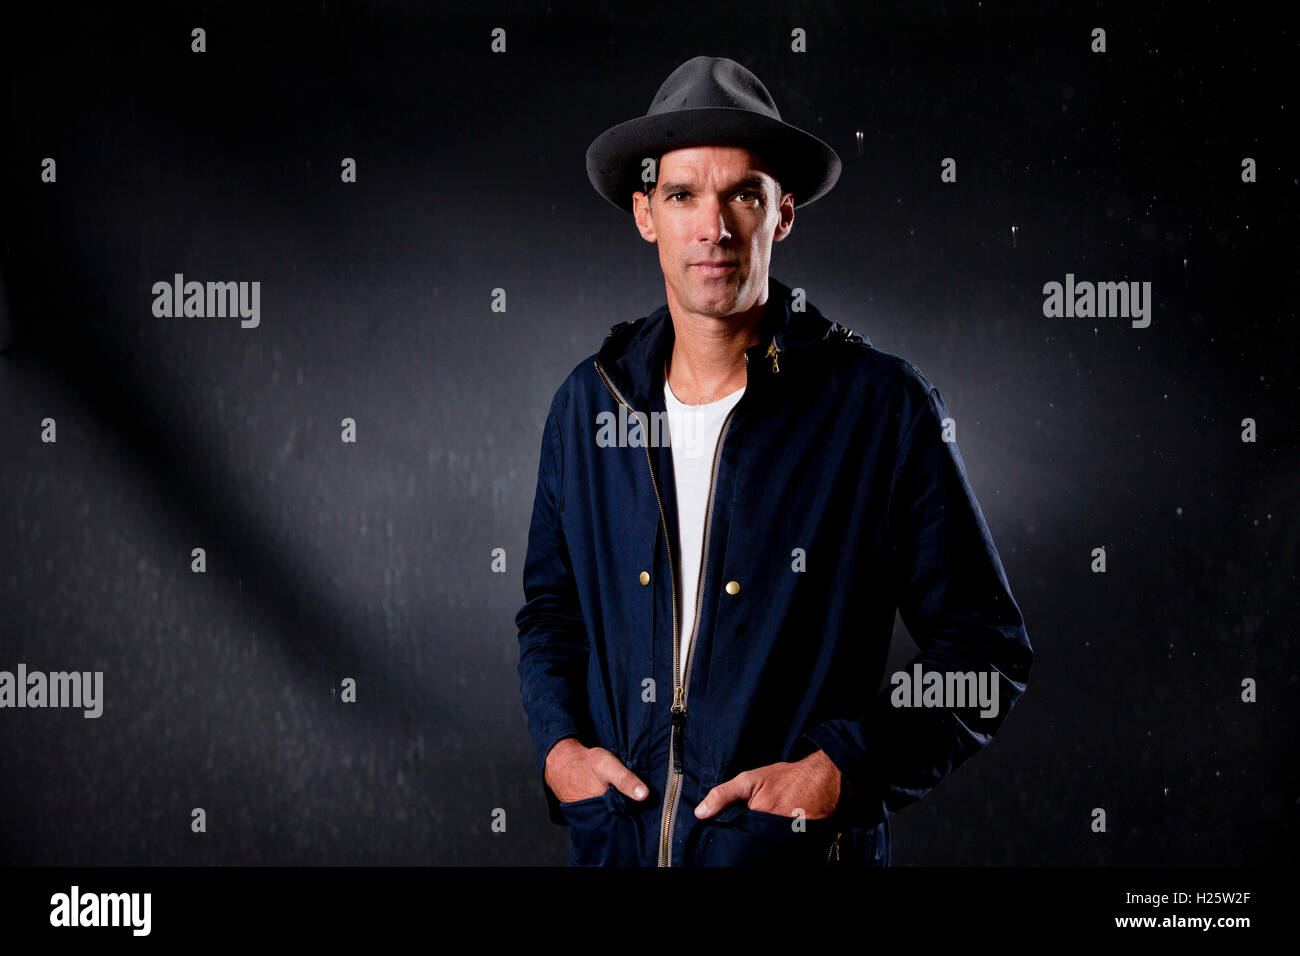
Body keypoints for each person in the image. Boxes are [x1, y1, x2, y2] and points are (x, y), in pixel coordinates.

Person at [515, 55, 1033, 866]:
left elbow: (984, 650)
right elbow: (552, 615)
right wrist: (559, 753)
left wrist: (841, 771)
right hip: (617, 847)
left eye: (743, 195)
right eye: (683, 195)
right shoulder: (590, 407)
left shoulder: (879, 408)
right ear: (645, 212)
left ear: (781, 216)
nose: (713, 227)